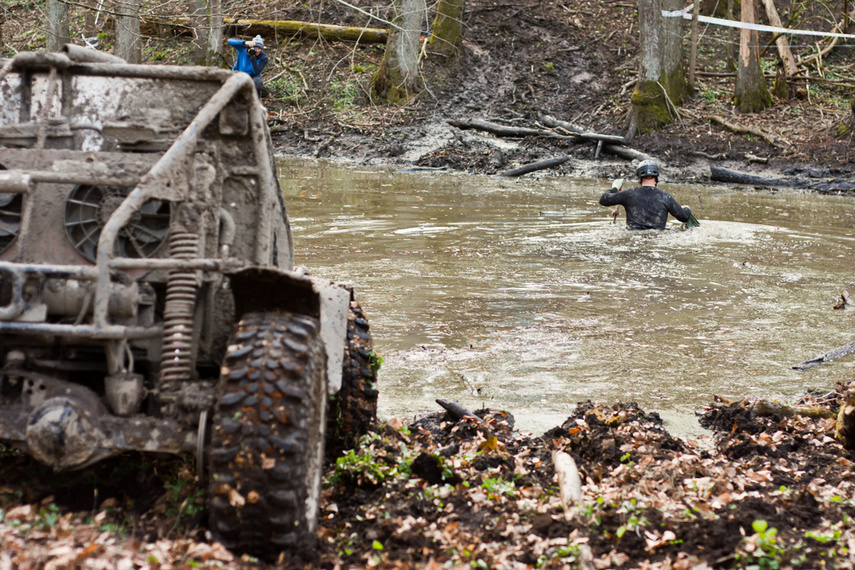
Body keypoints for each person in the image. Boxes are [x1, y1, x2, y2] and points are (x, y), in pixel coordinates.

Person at [598, 160, 692, 230]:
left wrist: (615, 188)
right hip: (657, 238)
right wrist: (687, 209)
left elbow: (603, 200)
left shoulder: (629, 194)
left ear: (639, 177)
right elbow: (684, 217)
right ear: (656, 177)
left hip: (634, 236)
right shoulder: (665, 197)